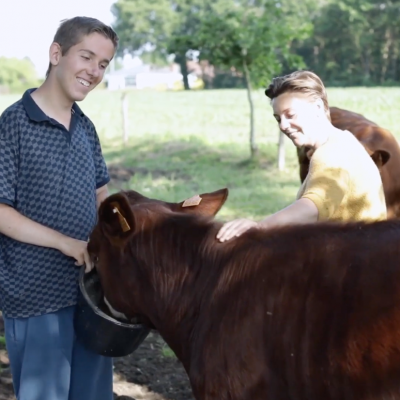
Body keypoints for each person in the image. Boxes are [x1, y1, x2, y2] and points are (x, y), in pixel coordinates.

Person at [0, 17, 118, 400]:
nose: (94, 71)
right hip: (35, 299)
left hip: (90, 297)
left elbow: (102, 197)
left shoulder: (85, 127)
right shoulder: (13, 125)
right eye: (87, 57)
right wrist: (65, 242)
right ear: (56, 54)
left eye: (103, 64)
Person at [217, 70, 387, 242]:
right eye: (278, 118)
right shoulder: (344, 140)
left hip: (354, 263)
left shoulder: (332, 153)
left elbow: (313, 207)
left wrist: (259, 227)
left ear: (318, 108)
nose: (283, 125)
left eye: (290, 115)